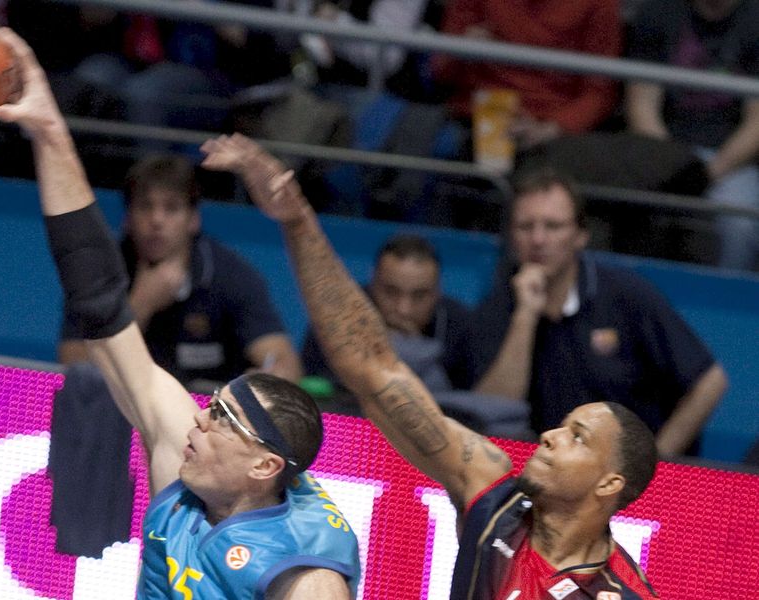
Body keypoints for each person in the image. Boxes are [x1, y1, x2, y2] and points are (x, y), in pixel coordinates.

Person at [200, 133, 660, 598]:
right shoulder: (494, 497)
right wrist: (297, 218)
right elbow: (374, 369)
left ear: (610, 483)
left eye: (578, 437)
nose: (549, 435)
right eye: (563, 425)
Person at [0, 29, 360, 599]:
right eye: (214, 406)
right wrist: (48, 131)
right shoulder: (184, 466)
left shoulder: (305, 574)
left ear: (264, 467)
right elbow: (102, 309)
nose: (200, 420)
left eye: (223, 419)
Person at [467, 167, 728, 456]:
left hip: (624, 472)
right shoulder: (497, 307)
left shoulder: (627, 295)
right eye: (525, 227)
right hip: (546, 470)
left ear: (580, 235)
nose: (538, 239)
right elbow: (494, 414)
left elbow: (709, 381)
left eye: (553, 226)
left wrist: (654, 464)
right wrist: (525, 316)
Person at [57, 154, 303, 390]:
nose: (156, 220)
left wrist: (273, 376)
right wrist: (140, 305)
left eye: (171, 208)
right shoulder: (97, 272)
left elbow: (283, 363)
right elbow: (76, 365)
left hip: (209, 410)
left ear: (193, 219)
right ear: (127, 218)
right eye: (145, 207)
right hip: (120, 406)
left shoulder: (231, 275)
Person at [625, 0, 759, 271]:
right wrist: (675, 167)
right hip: (663, 151)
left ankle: (726, 295)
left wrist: (705, 174)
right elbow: (641, 105)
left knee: (741, 223)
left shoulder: (754, 19)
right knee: (633, 206)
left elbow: (756, 123)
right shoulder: (657, 11)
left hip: (732, 160)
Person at [430, 0, 623, 150]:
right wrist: (460, 51)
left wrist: (552, 128)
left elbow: (599, 93)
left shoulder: (600, 4)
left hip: (553, 131)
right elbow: (439, 71)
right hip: (473, 118)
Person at [302, 233, 473, 396]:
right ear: (373, 284)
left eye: (419, 295)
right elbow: (312, 386)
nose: (404, 309)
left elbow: (468, 401)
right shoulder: (337, 315)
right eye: (391, 292)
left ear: (437, 291)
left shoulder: (459, 324)